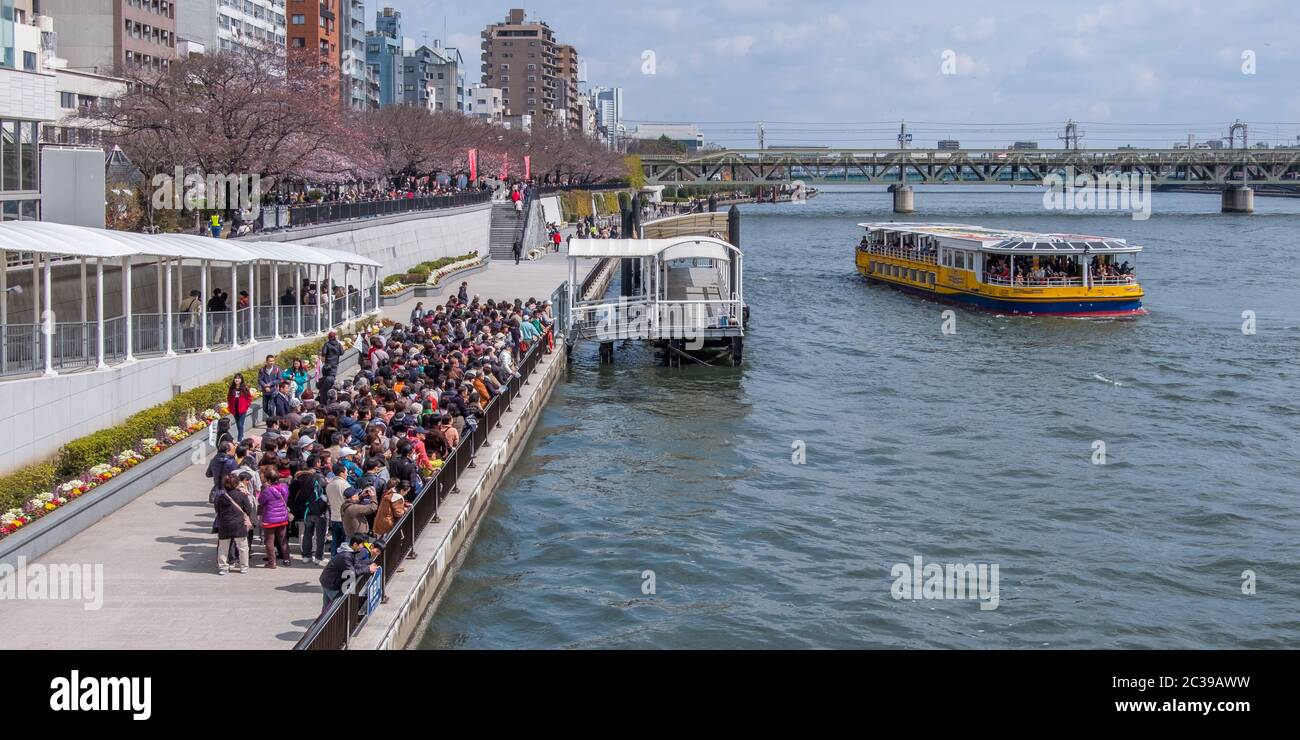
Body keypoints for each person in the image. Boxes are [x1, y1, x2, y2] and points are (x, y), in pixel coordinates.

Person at [319, 533, 376, 610]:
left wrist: (368, 564)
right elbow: (352, 573)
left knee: (327, 608)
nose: (362, 547)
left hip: (327, 581)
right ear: (355, 544)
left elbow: (356, 564)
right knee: (339, 608)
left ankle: (322, 620)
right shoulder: (346, 555)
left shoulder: (350, 552)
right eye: (361, 545)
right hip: (331, 584)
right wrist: (368, 569)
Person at [215, 473, 252, 575]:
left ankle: (223, 567)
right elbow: (248, 509)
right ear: (237, 483)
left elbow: (217, 510)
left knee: (223, 547)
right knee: (243, 546)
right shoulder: (241, 495)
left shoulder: (220, 496)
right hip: (239, 523)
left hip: (225, 523)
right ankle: (244, 566)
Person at [257, 470, 292, 568]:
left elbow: (261, 501)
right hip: (282, 517)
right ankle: (286, 559)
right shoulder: (284, 487)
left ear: (268, 479)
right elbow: (286, 499)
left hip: (269, 518)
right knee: (283, 539)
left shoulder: (267, 490)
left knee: (269, 540)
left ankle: (272, 562)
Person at [325, 463, 350, 556]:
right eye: (346, 472)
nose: (347, 474)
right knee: (344, 543)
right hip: (344, 518)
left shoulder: (329, 484)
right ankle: (342, 561)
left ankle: (334, 559)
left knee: (335, 541)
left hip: (334, 517)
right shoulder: (345, 484)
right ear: (341, 473)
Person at [226, 374, 254, 442]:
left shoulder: (244, 388)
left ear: (241, 380)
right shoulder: (232, 388)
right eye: (235, 378)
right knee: (238, 425)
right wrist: (230, 407)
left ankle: (239, 440)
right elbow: (229, 398)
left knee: (240, 425)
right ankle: (241, 436)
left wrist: (246, 406)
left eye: (238, 378)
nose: (237, 379)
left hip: (242, 410)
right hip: (234, 410)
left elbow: (249, 398)